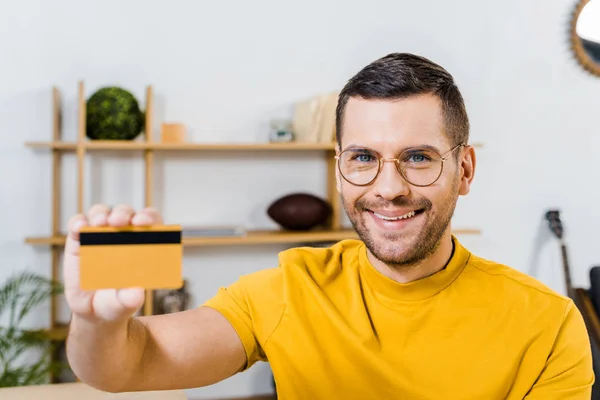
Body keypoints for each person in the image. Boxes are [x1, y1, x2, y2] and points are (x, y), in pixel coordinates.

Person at [64, 53, 594, 399]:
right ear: (340, 164)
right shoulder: (292, 289)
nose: (388, 188)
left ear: (465, 171)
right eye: (364, 157)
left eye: (417, 157)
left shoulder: (545, 325)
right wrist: (98, 321)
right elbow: (125, 367)